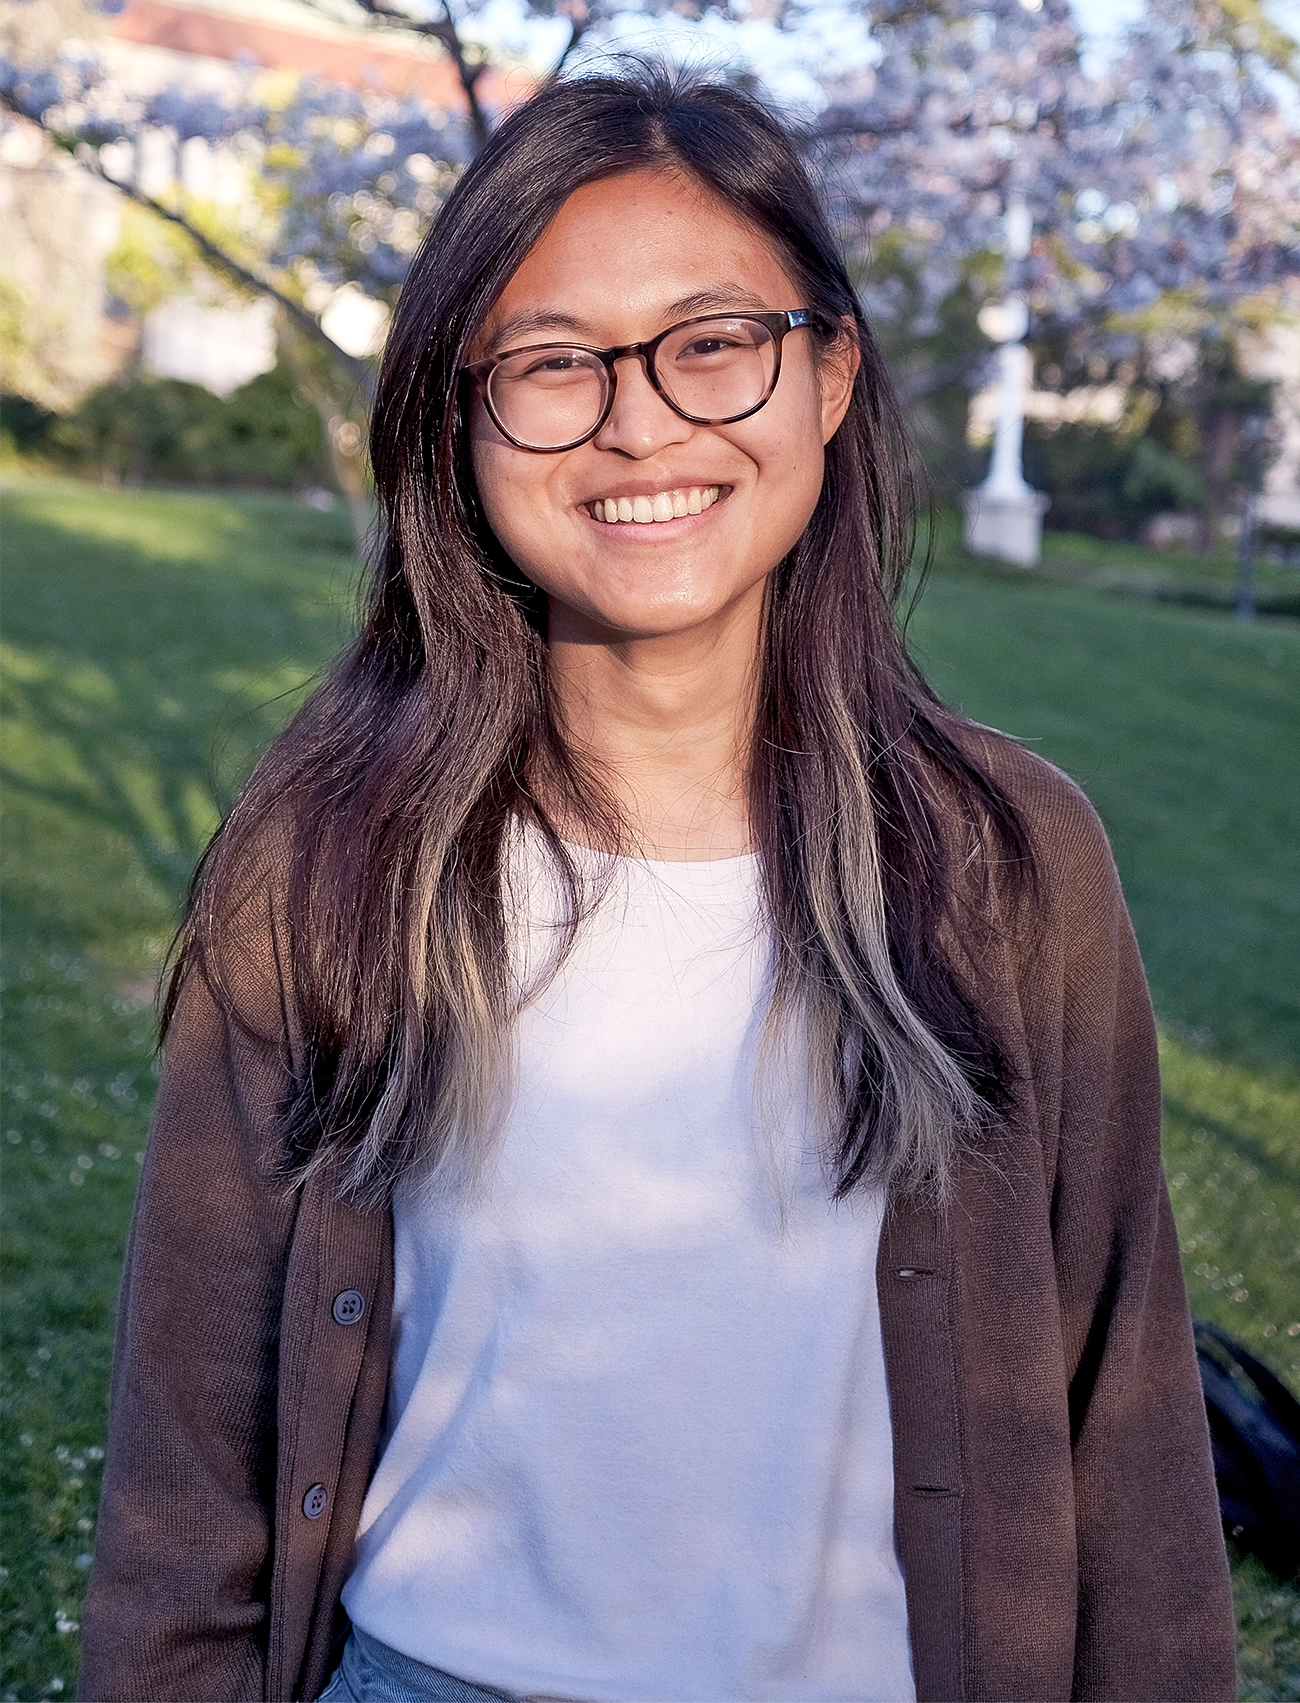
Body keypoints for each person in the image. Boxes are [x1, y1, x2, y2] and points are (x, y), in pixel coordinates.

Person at [78, 66, 1235, 1703]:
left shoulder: (1012, 864)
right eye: (553, 363)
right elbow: (190, 1466)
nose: (640, 422)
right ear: (461, 421)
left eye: (714, 343)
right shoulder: (326, 859)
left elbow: (1126, 1414)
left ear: (828, 373)